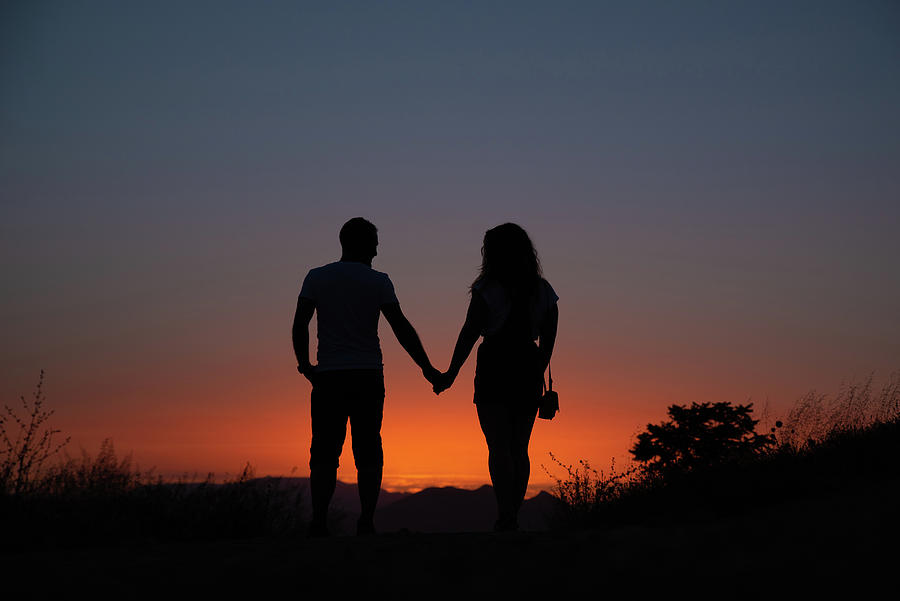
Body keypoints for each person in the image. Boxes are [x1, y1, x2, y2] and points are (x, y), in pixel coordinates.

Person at [293, 217, 441, 536]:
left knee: (324, 451)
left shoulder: (316, 277)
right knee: (368, 449)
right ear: (362, 244)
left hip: (329, 377)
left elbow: (299, 324)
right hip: (367, 376)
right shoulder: (379, 282)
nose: (377, 249)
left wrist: (306, 366)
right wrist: (427, 369)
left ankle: (319, 522)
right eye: (374, 242)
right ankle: (367, 522)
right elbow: (401, 328)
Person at [434, 223, 558, 532]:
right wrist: (537, 371)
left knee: (499, 447)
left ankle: (506, 516)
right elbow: (549, 339)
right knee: (520, 448)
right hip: (527, 366)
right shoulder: (543, 290)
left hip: (494, 364)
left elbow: (469, 333)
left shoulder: (487, 289)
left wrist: (450, 373)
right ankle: (512, 514)